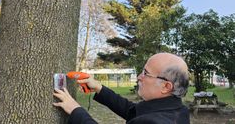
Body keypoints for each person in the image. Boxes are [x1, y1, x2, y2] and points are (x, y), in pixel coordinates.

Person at [53, 52, 190, 124]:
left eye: (146, 73)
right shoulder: (176, 109)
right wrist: (99, 87)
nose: (139, 77)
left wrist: (75, 110)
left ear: (166, 86)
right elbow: (131, 110)